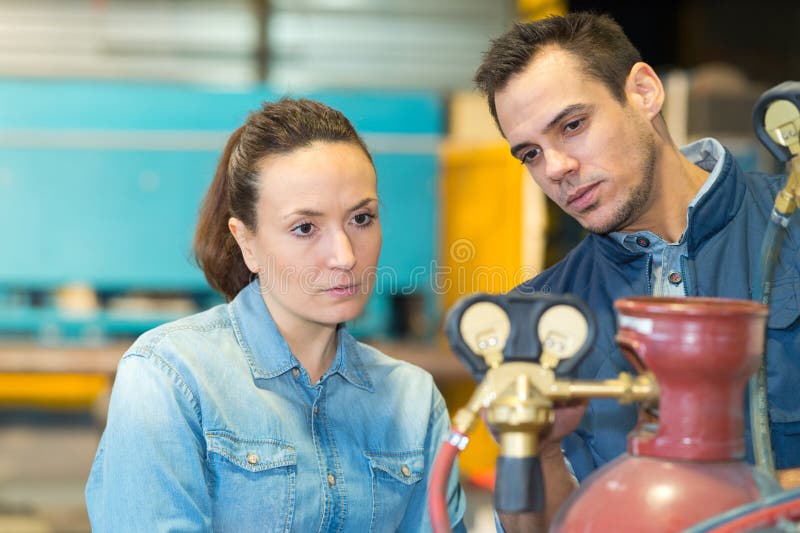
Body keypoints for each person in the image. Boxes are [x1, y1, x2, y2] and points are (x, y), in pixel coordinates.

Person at [473, 11, 800, 531]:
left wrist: (727, 507)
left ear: (644, 92)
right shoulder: (542, 319)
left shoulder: (790, 226)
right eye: (531, 153)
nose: (555, 168)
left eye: (572, 126)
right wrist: (539, 451)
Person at [85, 98, 466, 532]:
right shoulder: (171, 378)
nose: (344, 256)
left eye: (361, 218)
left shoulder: (414, 403)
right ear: (246, 242)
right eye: (305, 228)